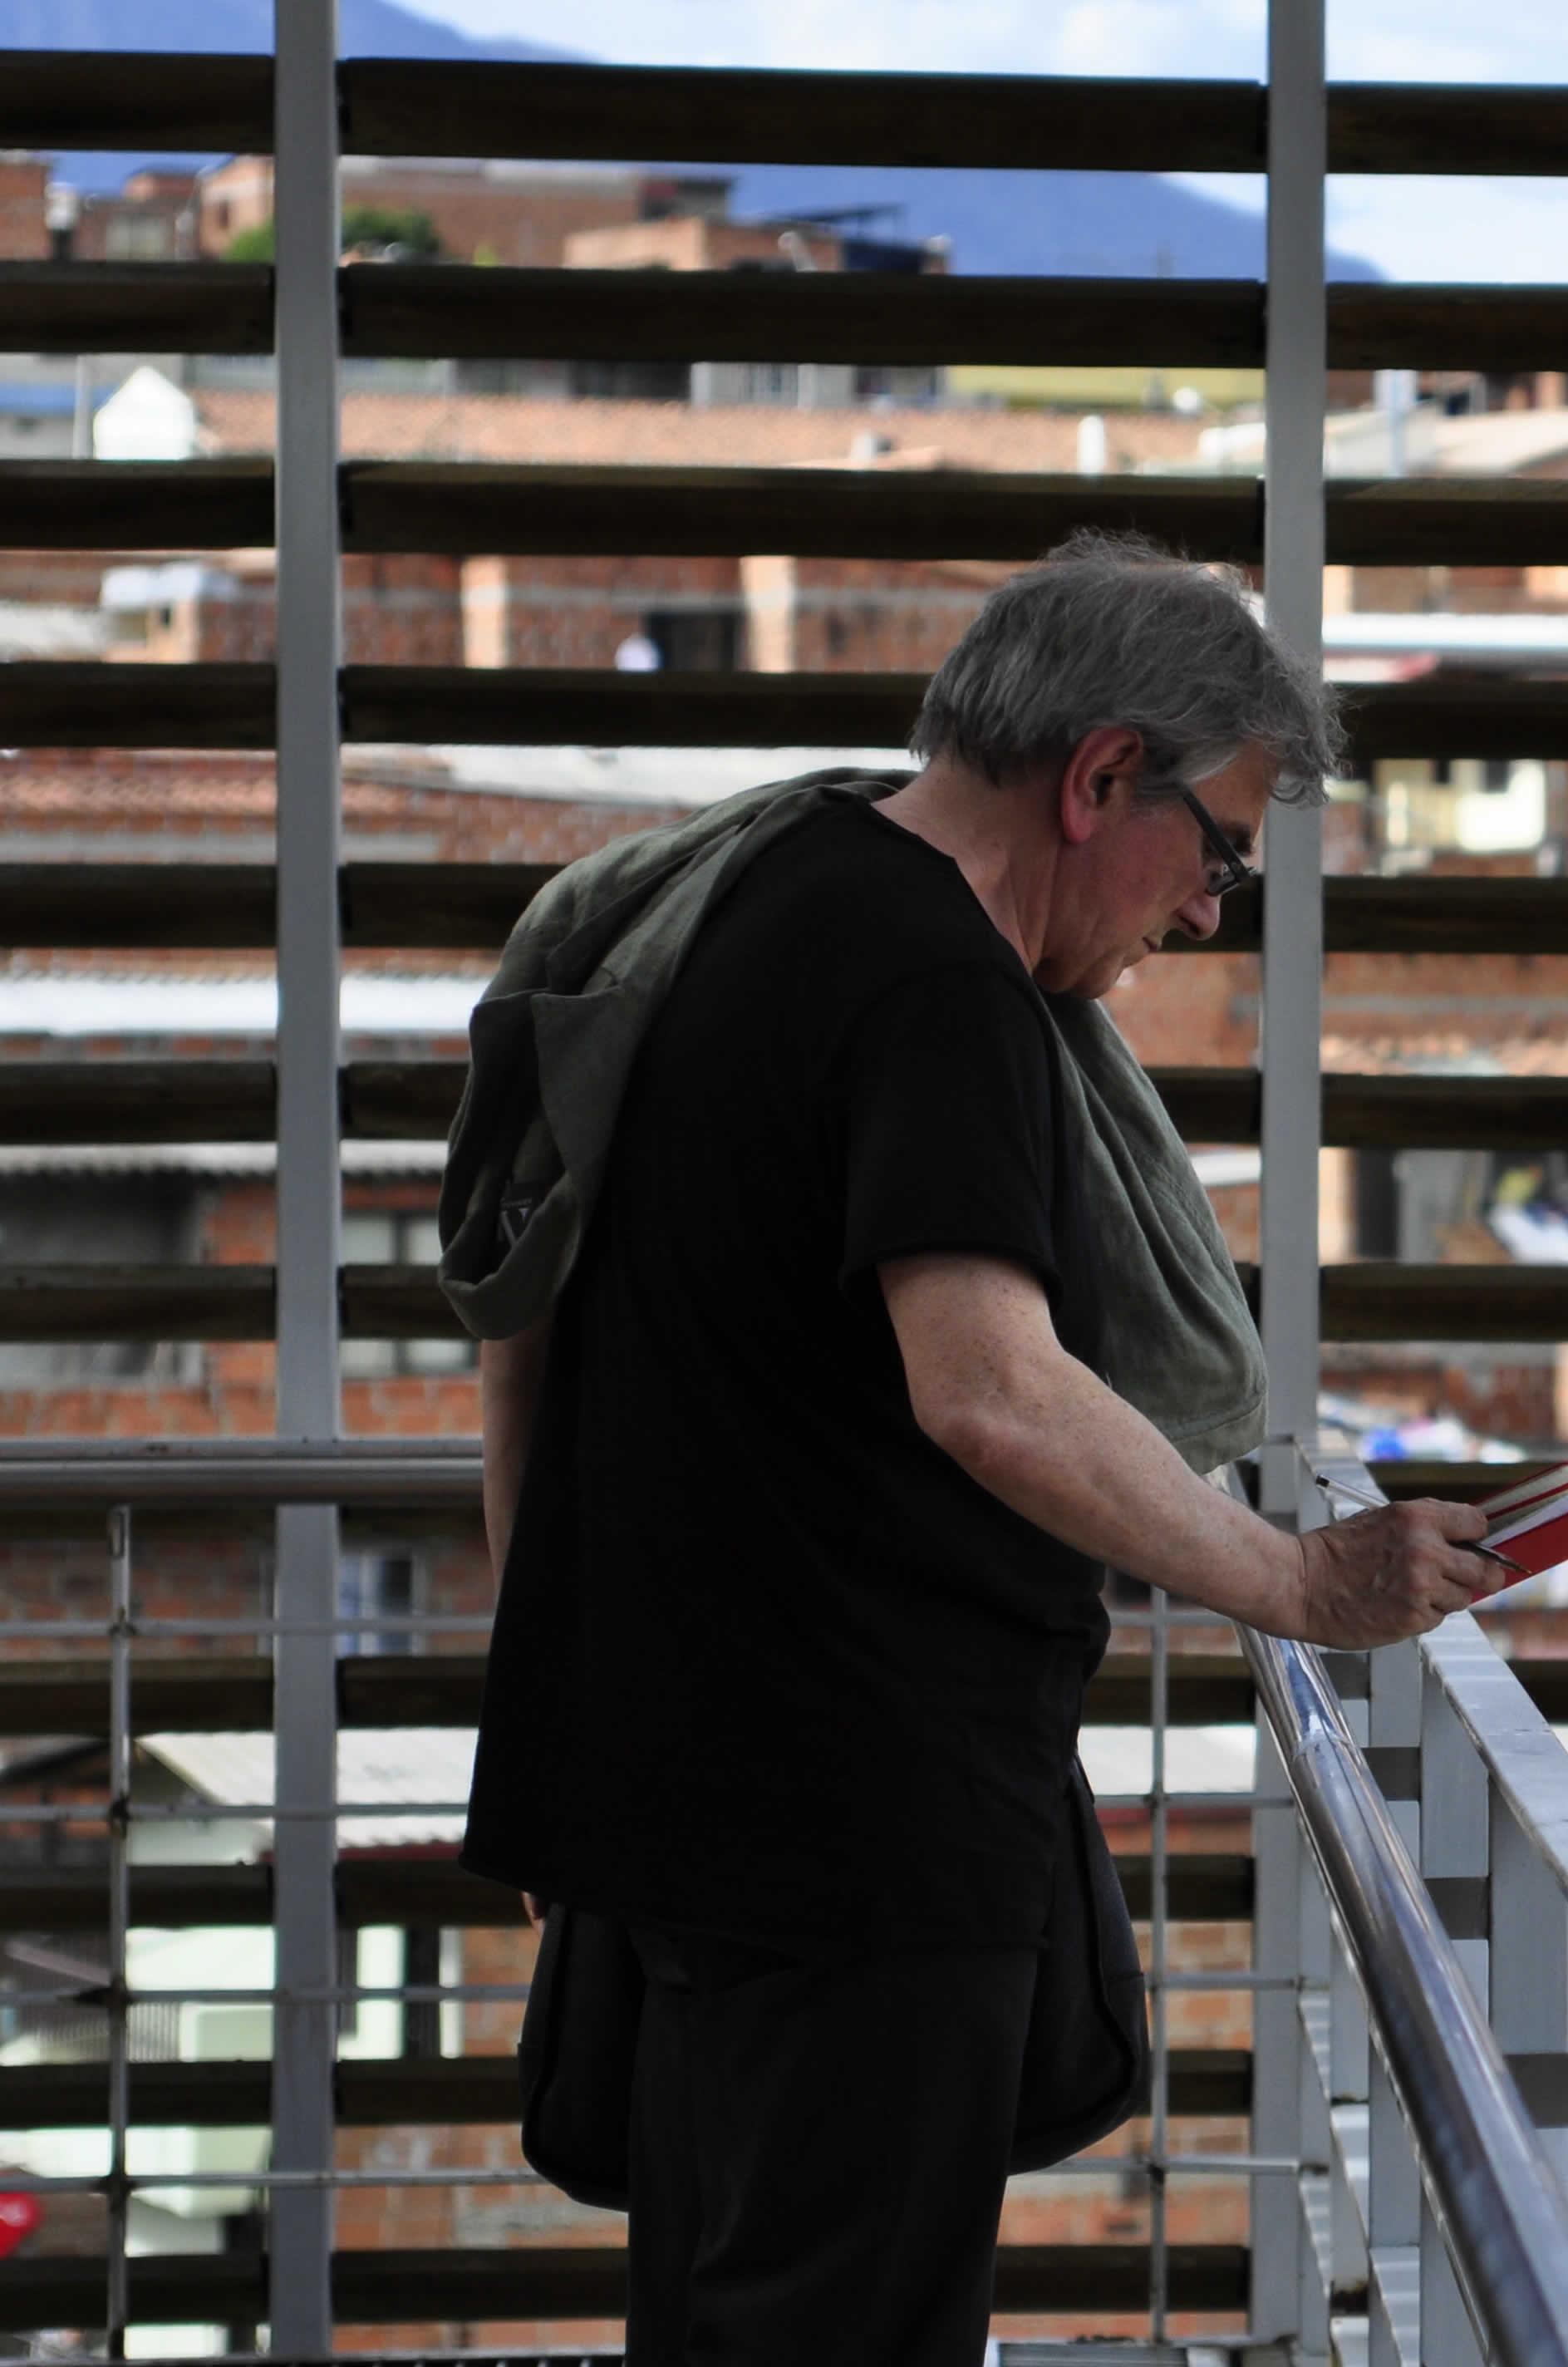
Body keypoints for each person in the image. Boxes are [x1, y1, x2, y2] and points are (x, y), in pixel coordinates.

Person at [455, 534, 1507, 2363]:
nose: (1205, 914)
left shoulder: (747, 897)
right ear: (1103, 775)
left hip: (687, 1791)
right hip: (844, 1828)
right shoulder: (940, 987)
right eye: (1223, 849)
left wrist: (559, 1702)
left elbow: (524, 1348)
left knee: (725, 2310)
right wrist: (1302, 1576)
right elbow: (989, 1386)